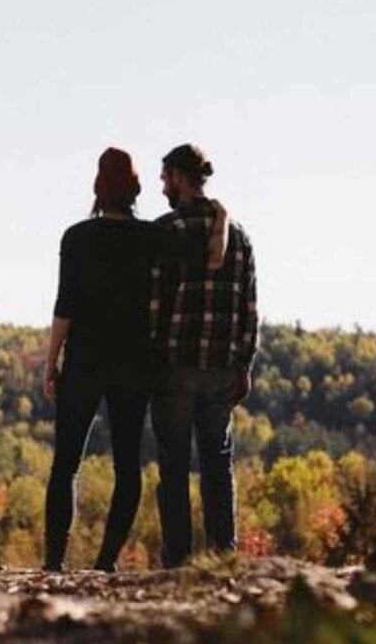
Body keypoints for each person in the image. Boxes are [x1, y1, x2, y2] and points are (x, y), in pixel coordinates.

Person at [42, 147, 226, 572]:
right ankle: (105, 563)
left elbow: (64, 305)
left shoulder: (76, 237)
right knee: (128, 466)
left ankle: (54, 563)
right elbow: (207, 250)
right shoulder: (152, 237)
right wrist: (222, 213)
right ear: (136, 190)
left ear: (97, 190)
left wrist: (51, 361)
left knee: (66, 462)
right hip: (134, 365)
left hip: (84, 361)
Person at [149, 143, 258, 568]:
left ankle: (177, 560)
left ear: (178, 176)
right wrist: (244, 365)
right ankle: (221, 557)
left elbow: (155, 303)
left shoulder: (166, 231)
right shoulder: (240, 237)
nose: (162, 188)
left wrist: (150, 357)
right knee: (218, 464)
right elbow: (250, 307)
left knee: (173, 466)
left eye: (164, 179)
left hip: (174, 365)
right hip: (219, 368)